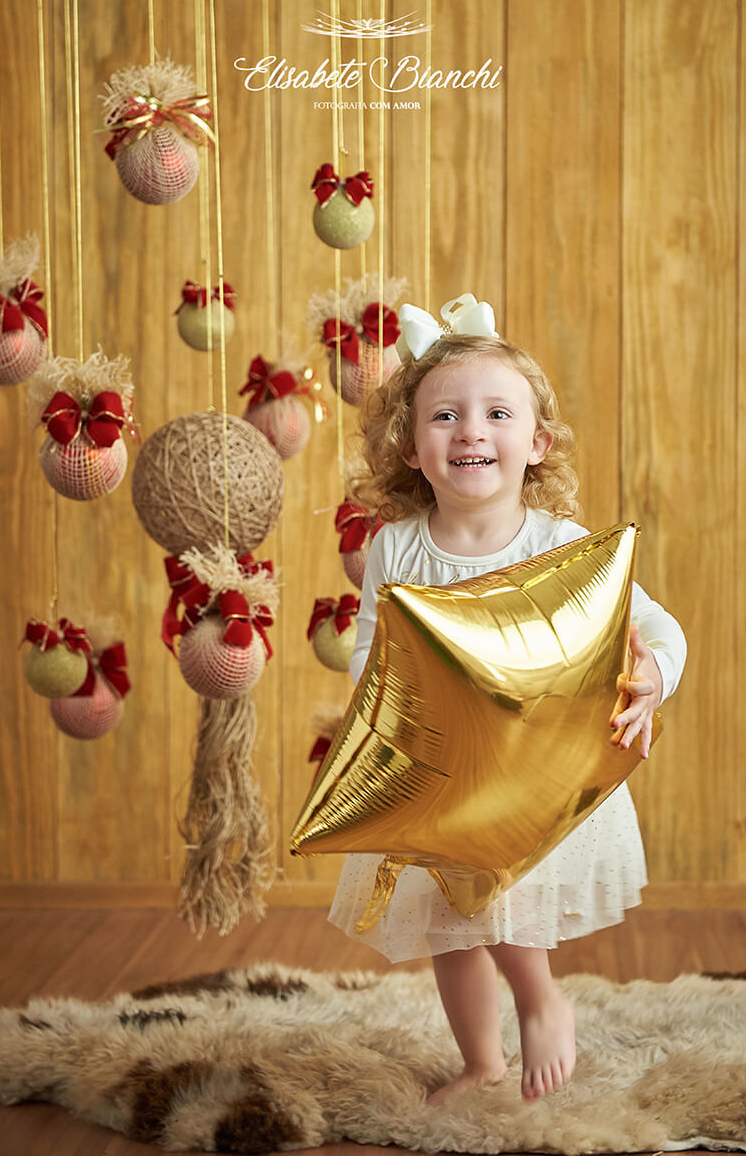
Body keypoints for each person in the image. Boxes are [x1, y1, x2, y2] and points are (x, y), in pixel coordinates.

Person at [328, 294, 687, 1104]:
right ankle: (480, 1062)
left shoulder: (556, 546)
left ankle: (539, 998)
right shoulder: (395, 547)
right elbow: (369, 649)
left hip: (534, 769)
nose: (470, 432)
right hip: (438, 767)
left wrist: (652, 678)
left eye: (496, 413)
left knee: (495, 899)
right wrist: (373, 718)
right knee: (445, 929)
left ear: (535, 443)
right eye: (444, 415)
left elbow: (658, 628)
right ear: (412, 448)